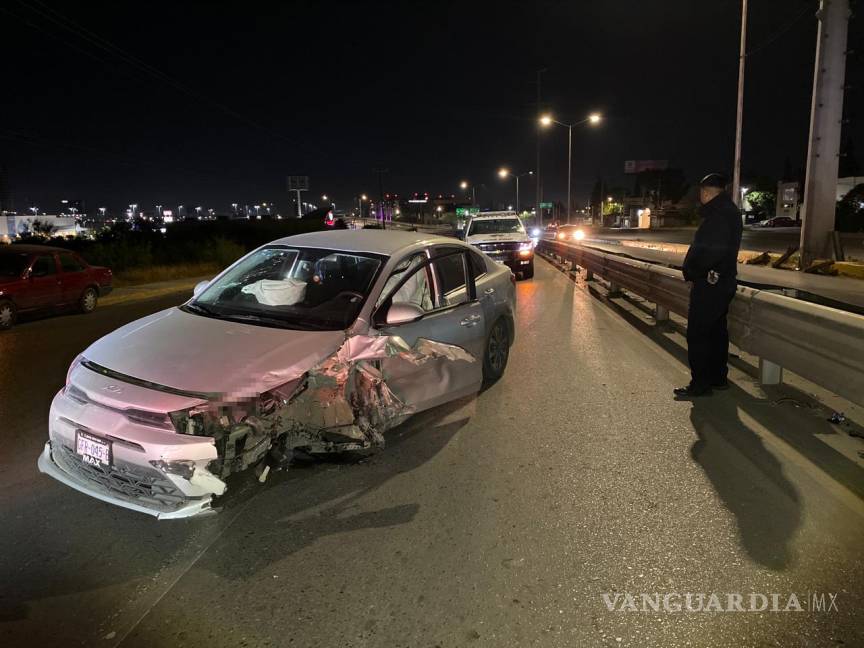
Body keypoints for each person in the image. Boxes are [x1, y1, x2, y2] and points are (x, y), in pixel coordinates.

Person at [674, 173, 743, 398]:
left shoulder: (719, 215)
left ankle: (701, 384)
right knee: (716, 332)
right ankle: (717, 377)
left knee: (698, 334)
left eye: (701, 193)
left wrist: (693, 271)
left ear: (706, 192)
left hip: (711, 283)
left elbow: (712, 251)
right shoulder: (728, 212)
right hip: (721, 282)